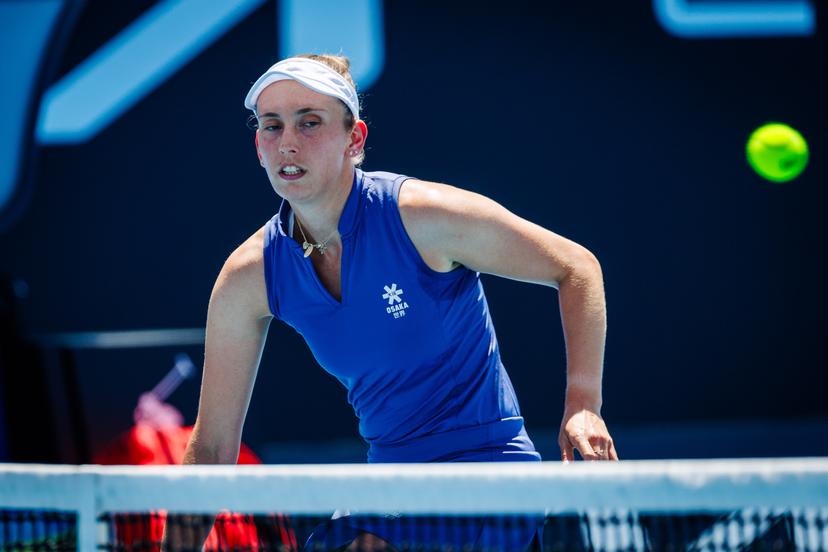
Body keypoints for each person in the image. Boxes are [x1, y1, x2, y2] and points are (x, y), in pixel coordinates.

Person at [169, 54, 617, 551]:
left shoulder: (422, 216)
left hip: (490, 478)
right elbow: (210, 448)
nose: (288, 142)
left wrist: (584, 406)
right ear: (258, 146)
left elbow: (576, 267)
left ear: (354, 139)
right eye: (272, 126)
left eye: (310, 123)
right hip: (390, 485)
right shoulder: (249, 276)